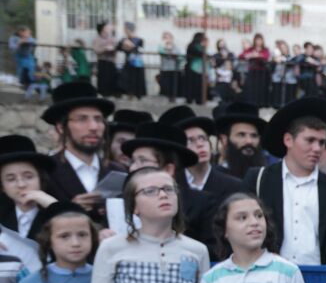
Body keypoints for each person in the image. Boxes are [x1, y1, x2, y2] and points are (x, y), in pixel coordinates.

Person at [244, 97, 326, 266]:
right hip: (267, 276)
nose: (316, 148)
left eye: (322, 142)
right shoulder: (259, 180)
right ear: (288, 140)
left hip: (318, 280)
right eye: (309, 140)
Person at [121, 122, 217, 257]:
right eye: (133, 161)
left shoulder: (202, 203)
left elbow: (214, 250)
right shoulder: (120, 199)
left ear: (168, 169)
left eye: (142, 161)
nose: (132, 168)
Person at [42, 81, 117, 220]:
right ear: (61, 127)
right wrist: (68, 211)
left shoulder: (117, 172)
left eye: (98, 119)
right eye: (82, 119)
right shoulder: (45, 172)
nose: (94, 127)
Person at [160, 106, 244, 204]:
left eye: (202, 138)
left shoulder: (233, 185)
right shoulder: (171, 184)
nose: (200, 144)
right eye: (190, 141)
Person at [0, 135, 58, 243]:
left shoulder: (54, 212)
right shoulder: (3, 218)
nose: (21, 184)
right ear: (2, 186)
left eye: (28, 176)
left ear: (40, 178)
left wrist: (51, 205)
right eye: (11, 179)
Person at [213, 100, 268, 179]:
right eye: (241, 135)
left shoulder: (267, 177)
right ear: (224, 139)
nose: (249, 141)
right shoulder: (215, 177)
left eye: (254, 136)